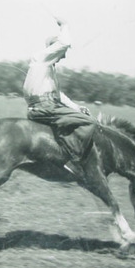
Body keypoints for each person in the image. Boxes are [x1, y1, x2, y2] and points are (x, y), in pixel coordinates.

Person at [23, 17, 96, 177]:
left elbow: (58, 95)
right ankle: (75, 162)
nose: (64, 56)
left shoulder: (45, 68)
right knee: (89, 122)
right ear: (54, 49)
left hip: (40, 107)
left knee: (75, 119)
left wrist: (77, 108)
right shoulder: (41, 58)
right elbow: (65, 42)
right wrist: (65, 25)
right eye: (63, 53)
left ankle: (59, 157)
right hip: (46, 107)